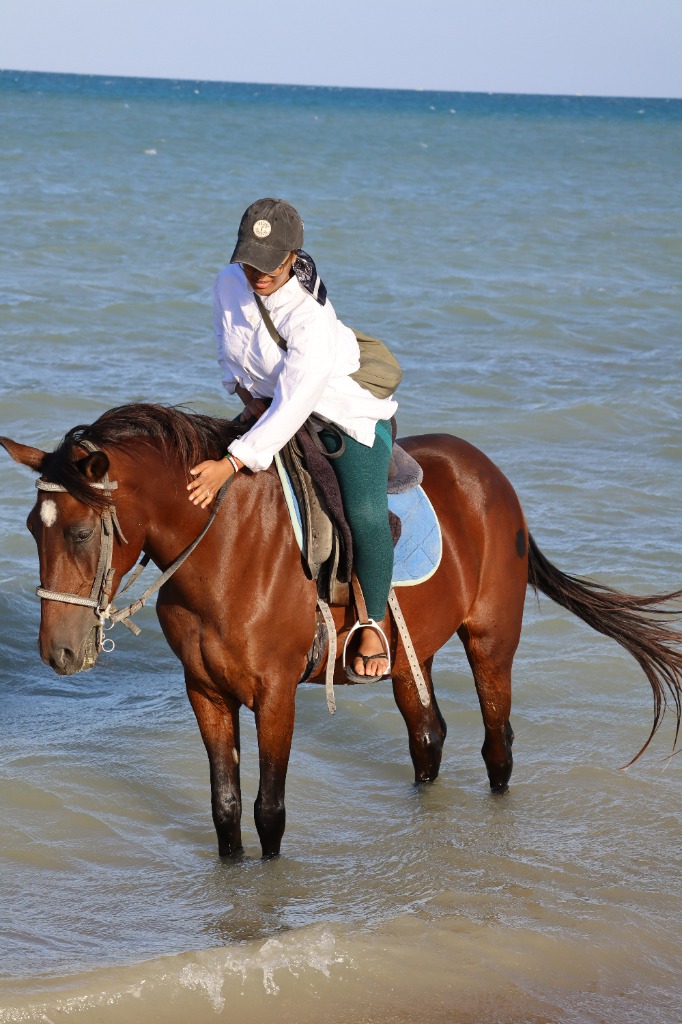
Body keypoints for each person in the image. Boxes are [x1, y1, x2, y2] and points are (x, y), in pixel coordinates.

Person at [187, 198, 398, 679]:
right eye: (249, 261)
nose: (257, 274)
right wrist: (242, 394)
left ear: (293, 256)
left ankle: (373, 622)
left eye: (270, 264)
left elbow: (296, 405)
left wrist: (233, 462)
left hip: (338, 413)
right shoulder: (228, 281)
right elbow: (227, 346)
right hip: (266, 405)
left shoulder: (310, 319)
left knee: (364, 511)